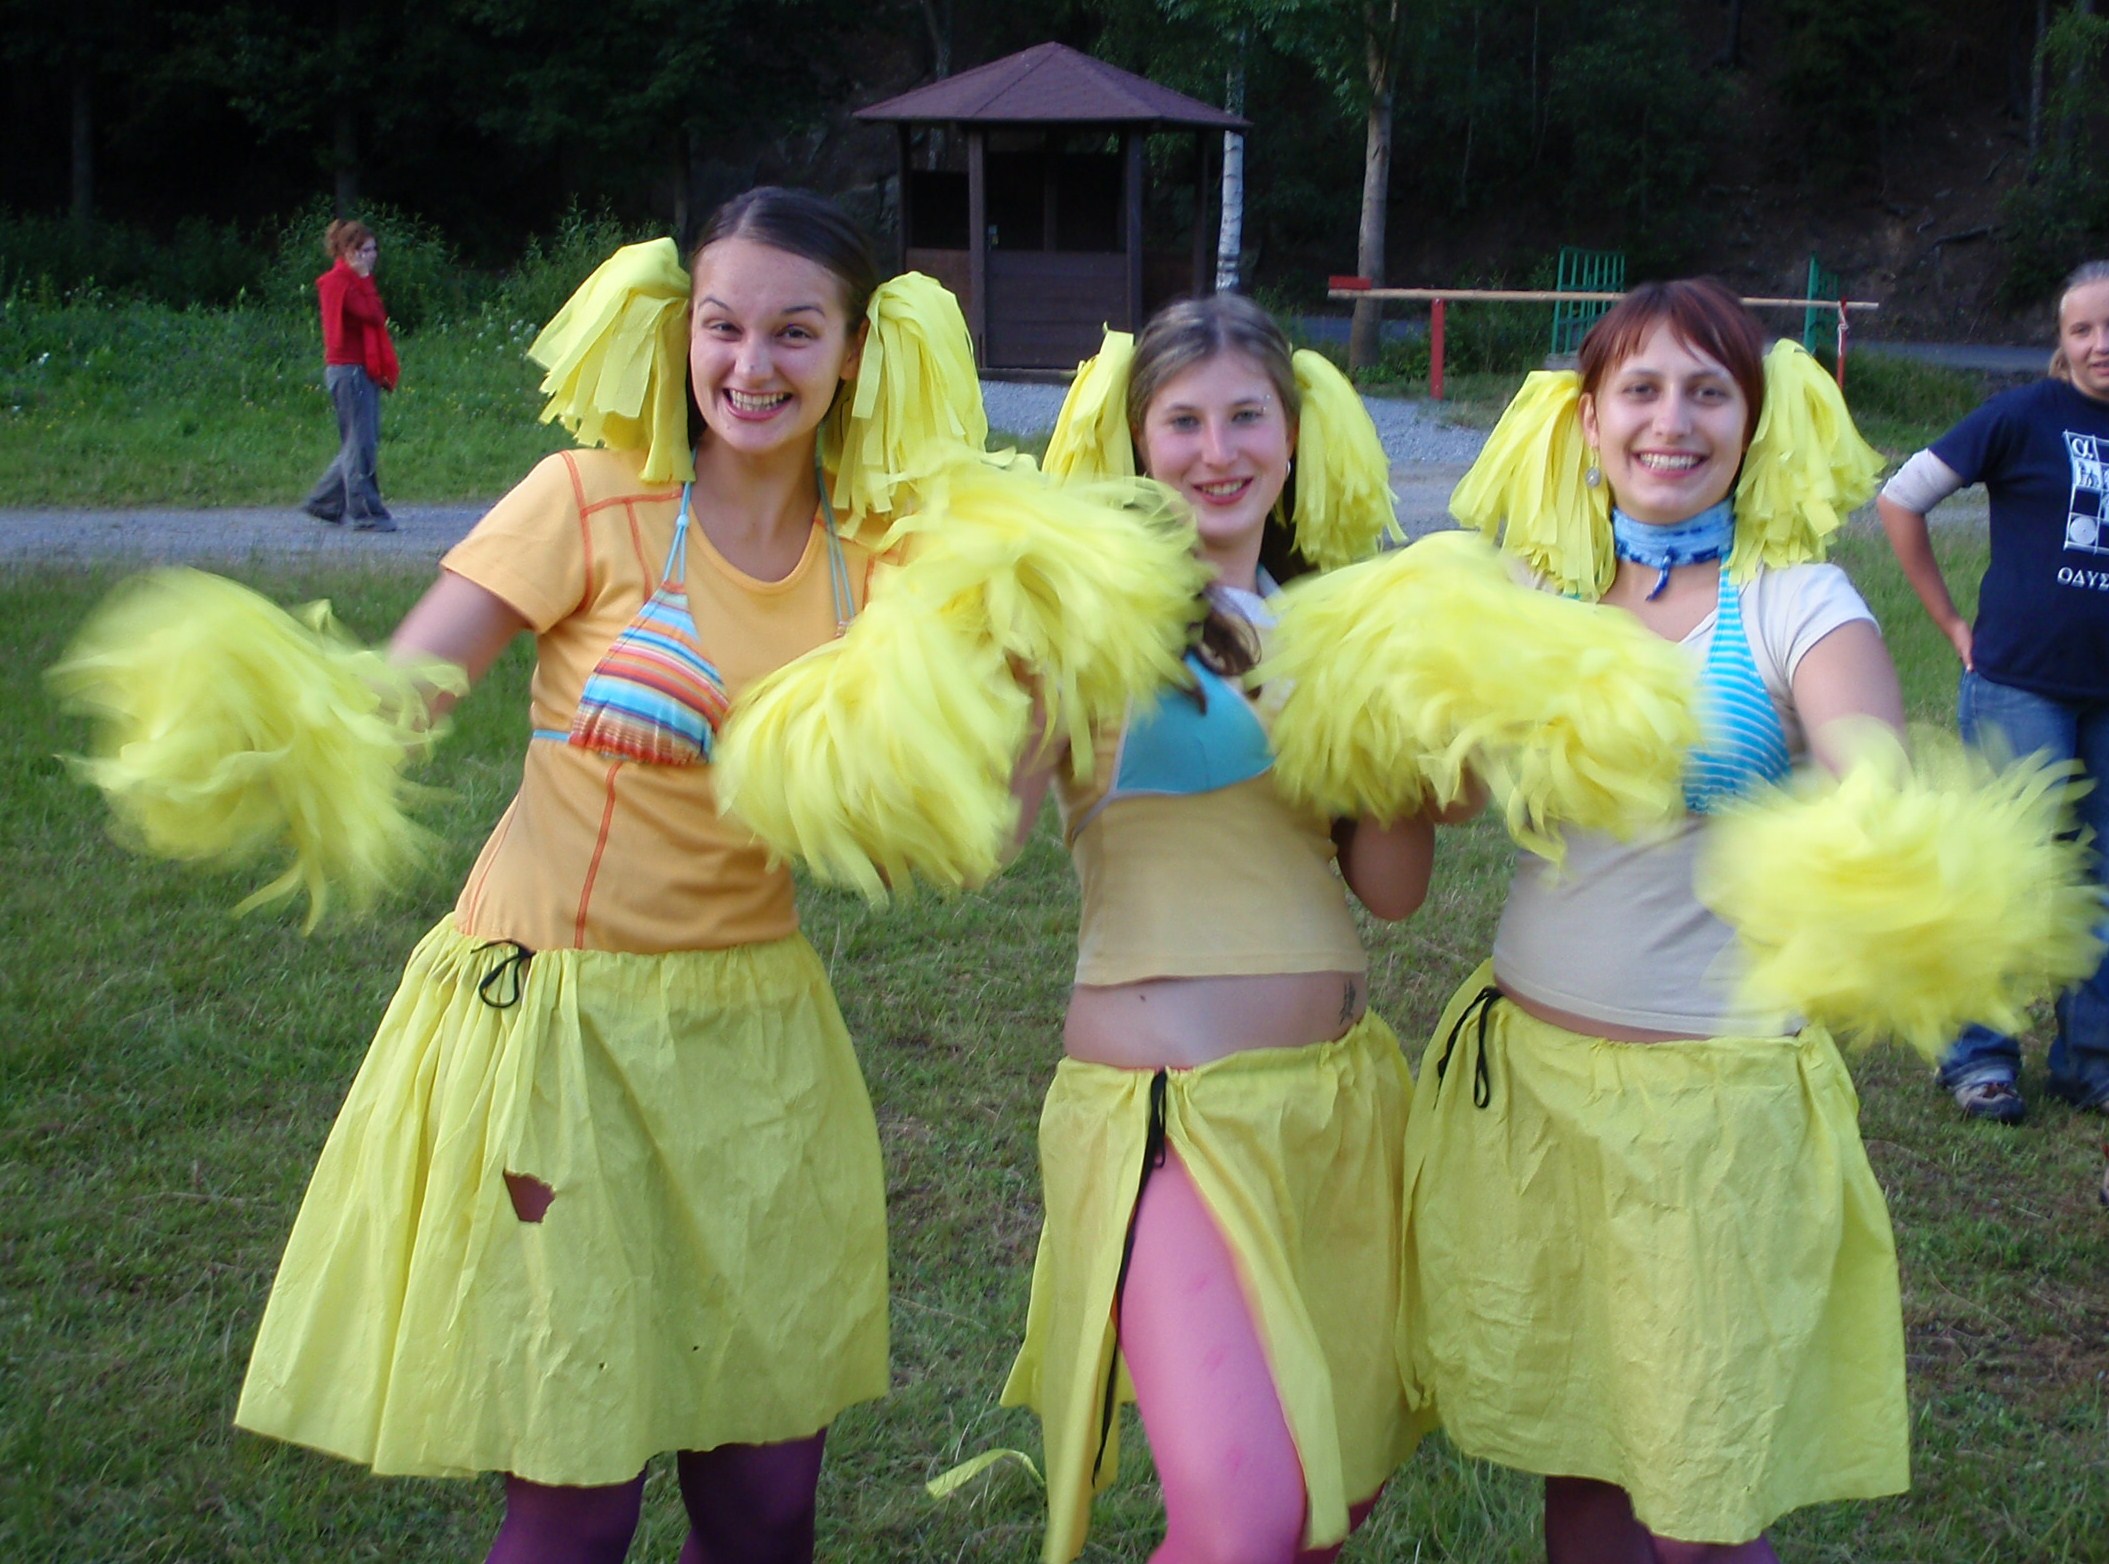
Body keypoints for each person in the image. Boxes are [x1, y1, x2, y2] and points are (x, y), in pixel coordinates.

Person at [236, 187, 981, 1564]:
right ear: (681, 332)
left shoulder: (883, 562)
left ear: (855, 353)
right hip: (559, 1032)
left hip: (755, 1038)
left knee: (767, 1499)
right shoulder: (589, 498)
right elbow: (409, 687)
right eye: (723, 326)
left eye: (795, 332)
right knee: (575, 1500)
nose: (752, 365)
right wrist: (292, 734)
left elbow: (931, 818)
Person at [1411, 279, 1911, 1562]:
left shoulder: (1798, 603)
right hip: (1532, 1095)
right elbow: (1446, 799)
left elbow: (1877, 783)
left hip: (1713, 1123)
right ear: (1589, 421)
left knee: (1700, 1500)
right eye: (1640, 389)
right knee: (1581, 1463)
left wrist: (1870, 817)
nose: (1672, 422)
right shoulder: (1535, 594)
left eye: (1708, 392)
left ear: (1754, 420)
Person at [998, 295, 1440, 1564]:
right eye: (1182, 422)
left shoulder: (1337, 628)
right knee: (1243, 1520)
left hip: (1335, 1109)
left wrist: (1414, 737)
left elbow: (1393, 889)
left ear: (1294, 438)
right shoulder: (1088, 629)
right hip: (1170, 1119)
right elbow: (983, 836)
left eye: (1247, 417)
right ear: (1139, 445)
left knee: (1325, 1508)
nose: (1216, 450)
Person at [1878, 258, 2109, 1122]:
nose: (2099, 344)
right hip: (2019, 687)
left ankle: (2090, 1062)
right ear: (2061, 340)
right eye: (2081, 329)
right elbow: (1901, 499)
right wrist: (1948, 621)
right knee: (1999, 875)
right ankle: (1977, 1059)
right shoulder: (2021, 416)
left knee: (2099, 881)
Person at [302, 218, 400, 532]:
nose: (372, 256)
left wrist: (363, 280)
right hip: (350, 370)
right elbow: (373, 314)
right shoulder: (339, 282)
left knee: (360, 442)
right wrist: (365, 279)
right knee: (361, 445)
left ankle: (324, 502)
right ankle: (365, 514)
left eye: (373, 249)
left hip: (359, 369)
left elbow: (374, 314)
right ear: (349, 252)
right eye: (365, 250)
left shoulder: (352, 281)